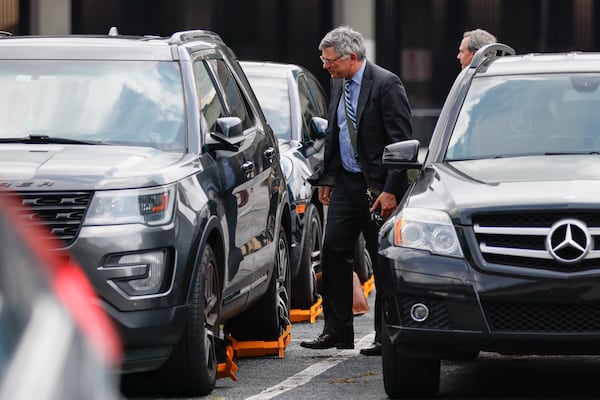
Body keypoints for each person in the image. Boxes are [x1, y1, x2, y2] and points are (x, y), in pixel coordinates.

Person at [300, 26, 412, 356]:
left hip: (377, 188)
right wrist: (328, 180)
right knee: (333, 251)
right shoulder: (339, 82)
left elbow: (400, 141)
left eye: (329, 60)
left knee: (382, 261)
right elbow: (336, 136)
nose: (325, 66)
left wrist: (392, 190)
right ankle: (337, 331)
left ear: (351, 57)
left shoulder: (386, 84)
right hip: (347, 184)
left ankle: (384, 334)